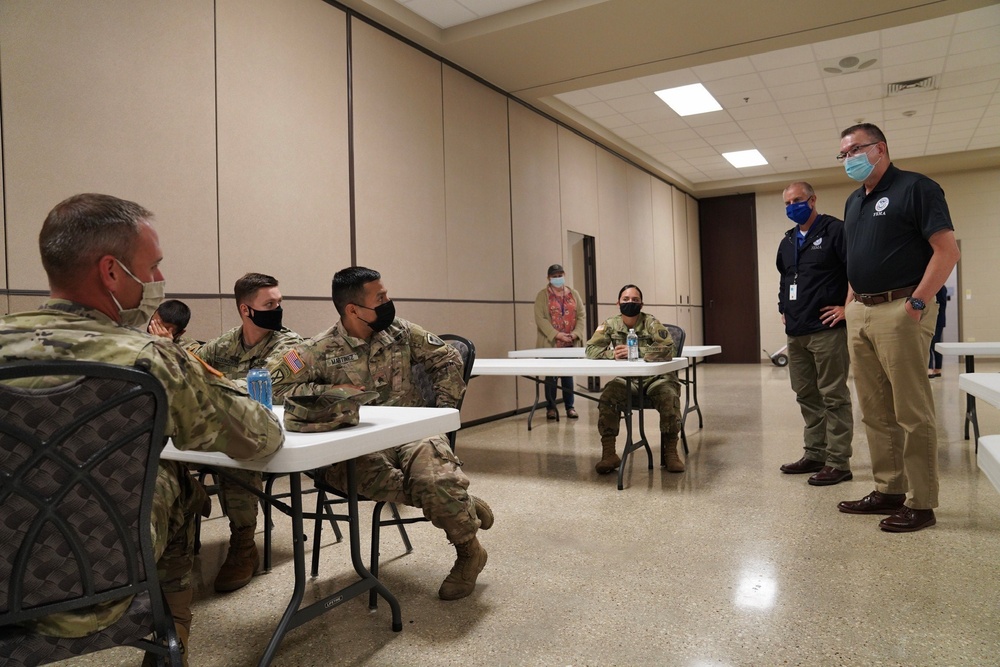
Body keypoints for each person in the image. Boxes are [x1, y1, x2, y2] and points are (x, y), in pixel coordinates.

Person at [0, 193, 283, 664]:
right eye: (152, 268)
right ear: (111, 271)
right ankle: (169, 641)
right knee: (176, 483)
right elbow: (259, 436)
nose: (157, 282)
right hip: (104, 582)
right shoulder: (149, 359)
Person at [267, 266, 493, 601]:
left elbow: (446, 359)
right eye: (381, 298)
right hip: (354, 441)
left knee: (432, 477)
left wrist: (441, 417)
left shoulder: (401, 332)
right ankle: (458, 501)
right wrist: (331, 389)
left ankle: (468, 552)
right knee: (425, 484)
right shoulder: (319, 348)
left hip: (411, 430)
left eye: (386, 294)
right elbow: (273, 384)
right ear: (353, 309)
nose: (389, 302)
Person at [835, 123, 960, 533]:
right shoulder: (854, 202)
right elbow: (857, 256)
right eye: (844, 153)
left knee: (911, 410)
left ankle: (921, 503)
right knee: (874, 410)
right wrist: (851, 301)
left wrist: (918, 302)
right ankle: (888, 489)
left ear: (880, 148)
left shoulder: (916, 188)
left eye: (855, 149)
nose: (849, 158)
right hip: (862, 312)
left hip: (902, 308)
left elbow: (947, 250)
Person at [192, 273, 303, 593]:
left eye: (279, 302)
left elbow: (267, 384)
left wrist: (211, 389)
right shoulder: (226, 343)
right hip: (221, 424)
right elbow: (191, 368)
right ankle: (181, 510)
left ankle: (243, 544)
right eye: (270, 304)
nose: (278, 309)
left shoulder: (292, 346)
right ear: (246, 310)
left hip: (270, 434)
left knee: (235, 448)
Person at [775, 182, 855, 486]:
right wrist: (783, 307)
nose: (792, 206)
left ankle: (838, 462)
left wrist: (847, 307)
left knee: (833, 395)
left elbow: (855, 271)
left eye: (798, 200)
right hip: (796, 331)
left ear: (812, 199)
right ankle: (815, 454)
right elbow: (785, 278)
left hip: (827, 330)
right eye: (787, 203)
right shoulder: (787, 241)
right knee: (806, 394)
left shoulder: (836, 231)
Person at [585, 284, 683, 474]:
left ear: (641, 304)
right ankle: (609, 453)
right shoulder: (610, 324)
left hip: (657, 378)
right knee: (608, 396)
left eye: (635, 300)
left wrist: (637, 351)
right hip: (628, 379)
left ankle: (670, 452)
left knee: (669, 397)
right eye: (626, 300)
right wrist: (611, 354)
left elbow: (669, 348)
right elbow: (590, 350)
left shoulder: (651, 323)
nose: (630, 303)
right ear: (618, 303)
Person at [534, 263, 587, 420]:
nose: (558, 279)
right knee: (550, 377)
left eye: (560, 275)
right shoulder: (542, 295)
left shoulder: (573, 294)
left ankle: (570, 407)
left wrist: (576, 334)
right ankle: (550, 407)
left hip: (570, 343)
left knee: (567, 377)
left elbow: (581, 315)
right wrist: (557, 335)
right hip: (551, 344)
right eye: (554, 277)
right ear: (549, 278)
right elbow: (540, 319)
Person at [928, 285, 948, 378]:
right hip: (930, 319)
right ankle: (931, 367)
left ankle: (936, 368)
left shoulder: (941, 288)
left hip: (937, 321)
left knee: (934, 344)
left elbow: (941, 305)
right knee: (929, 344)